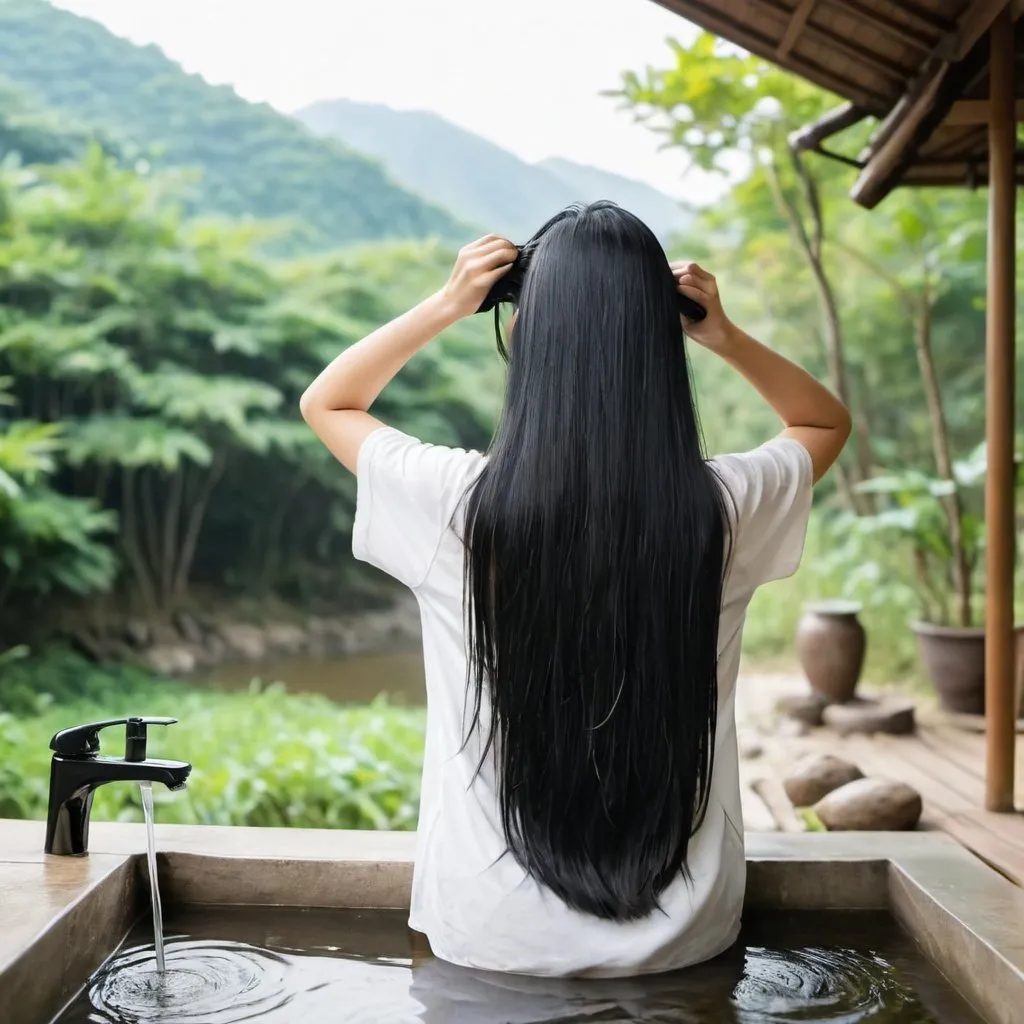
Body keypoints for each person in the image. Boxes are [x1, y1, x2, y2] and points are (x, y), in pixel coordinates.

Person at [300, 202, 850, 978]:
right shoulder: (722, 509)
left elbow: (329, 401)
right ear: (664, 342)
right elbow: (823, 424)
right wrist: (721, 333)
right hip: (684, 935)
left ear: (525, 335)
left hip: (490, 935)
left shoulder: (452, 502)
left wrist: (447, 303)